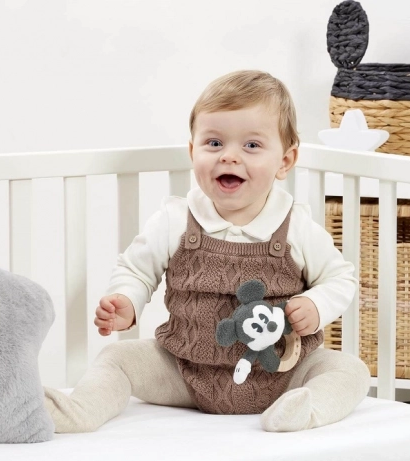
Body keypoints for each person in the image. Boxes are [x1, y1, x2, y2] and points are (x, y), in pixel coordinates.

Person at [43, 70, 371, 433]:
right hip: (184, 369)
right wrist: (127, 300)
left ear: (285, 161)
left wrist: (316, 305)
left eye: (251, 145)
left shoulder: (297, 226)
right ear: (192, 151)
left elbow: (340, 278)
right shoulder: (175, 220)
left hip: (281, 372)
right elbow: (137, 270)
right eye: (214, 143)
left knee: (350, 370)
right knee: (117, 357)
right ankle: (81, 409)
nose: (229, 156)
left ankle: (302, 412)